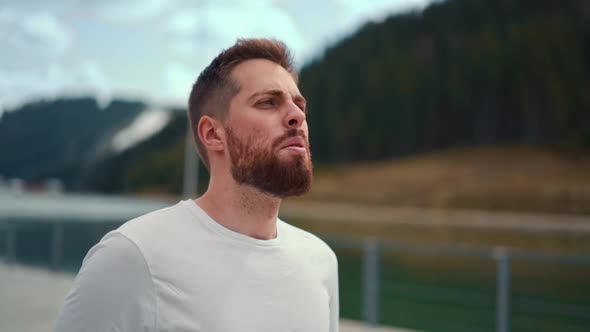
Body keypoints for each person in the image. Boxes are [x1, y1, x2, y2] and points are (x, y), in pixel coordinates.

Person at [54, 38, 339, 332]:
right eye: (268, 102)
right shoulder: (133, 256)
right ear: (213, 134)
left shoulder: (320, 261)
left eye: (299, 104)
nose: (297, 115)